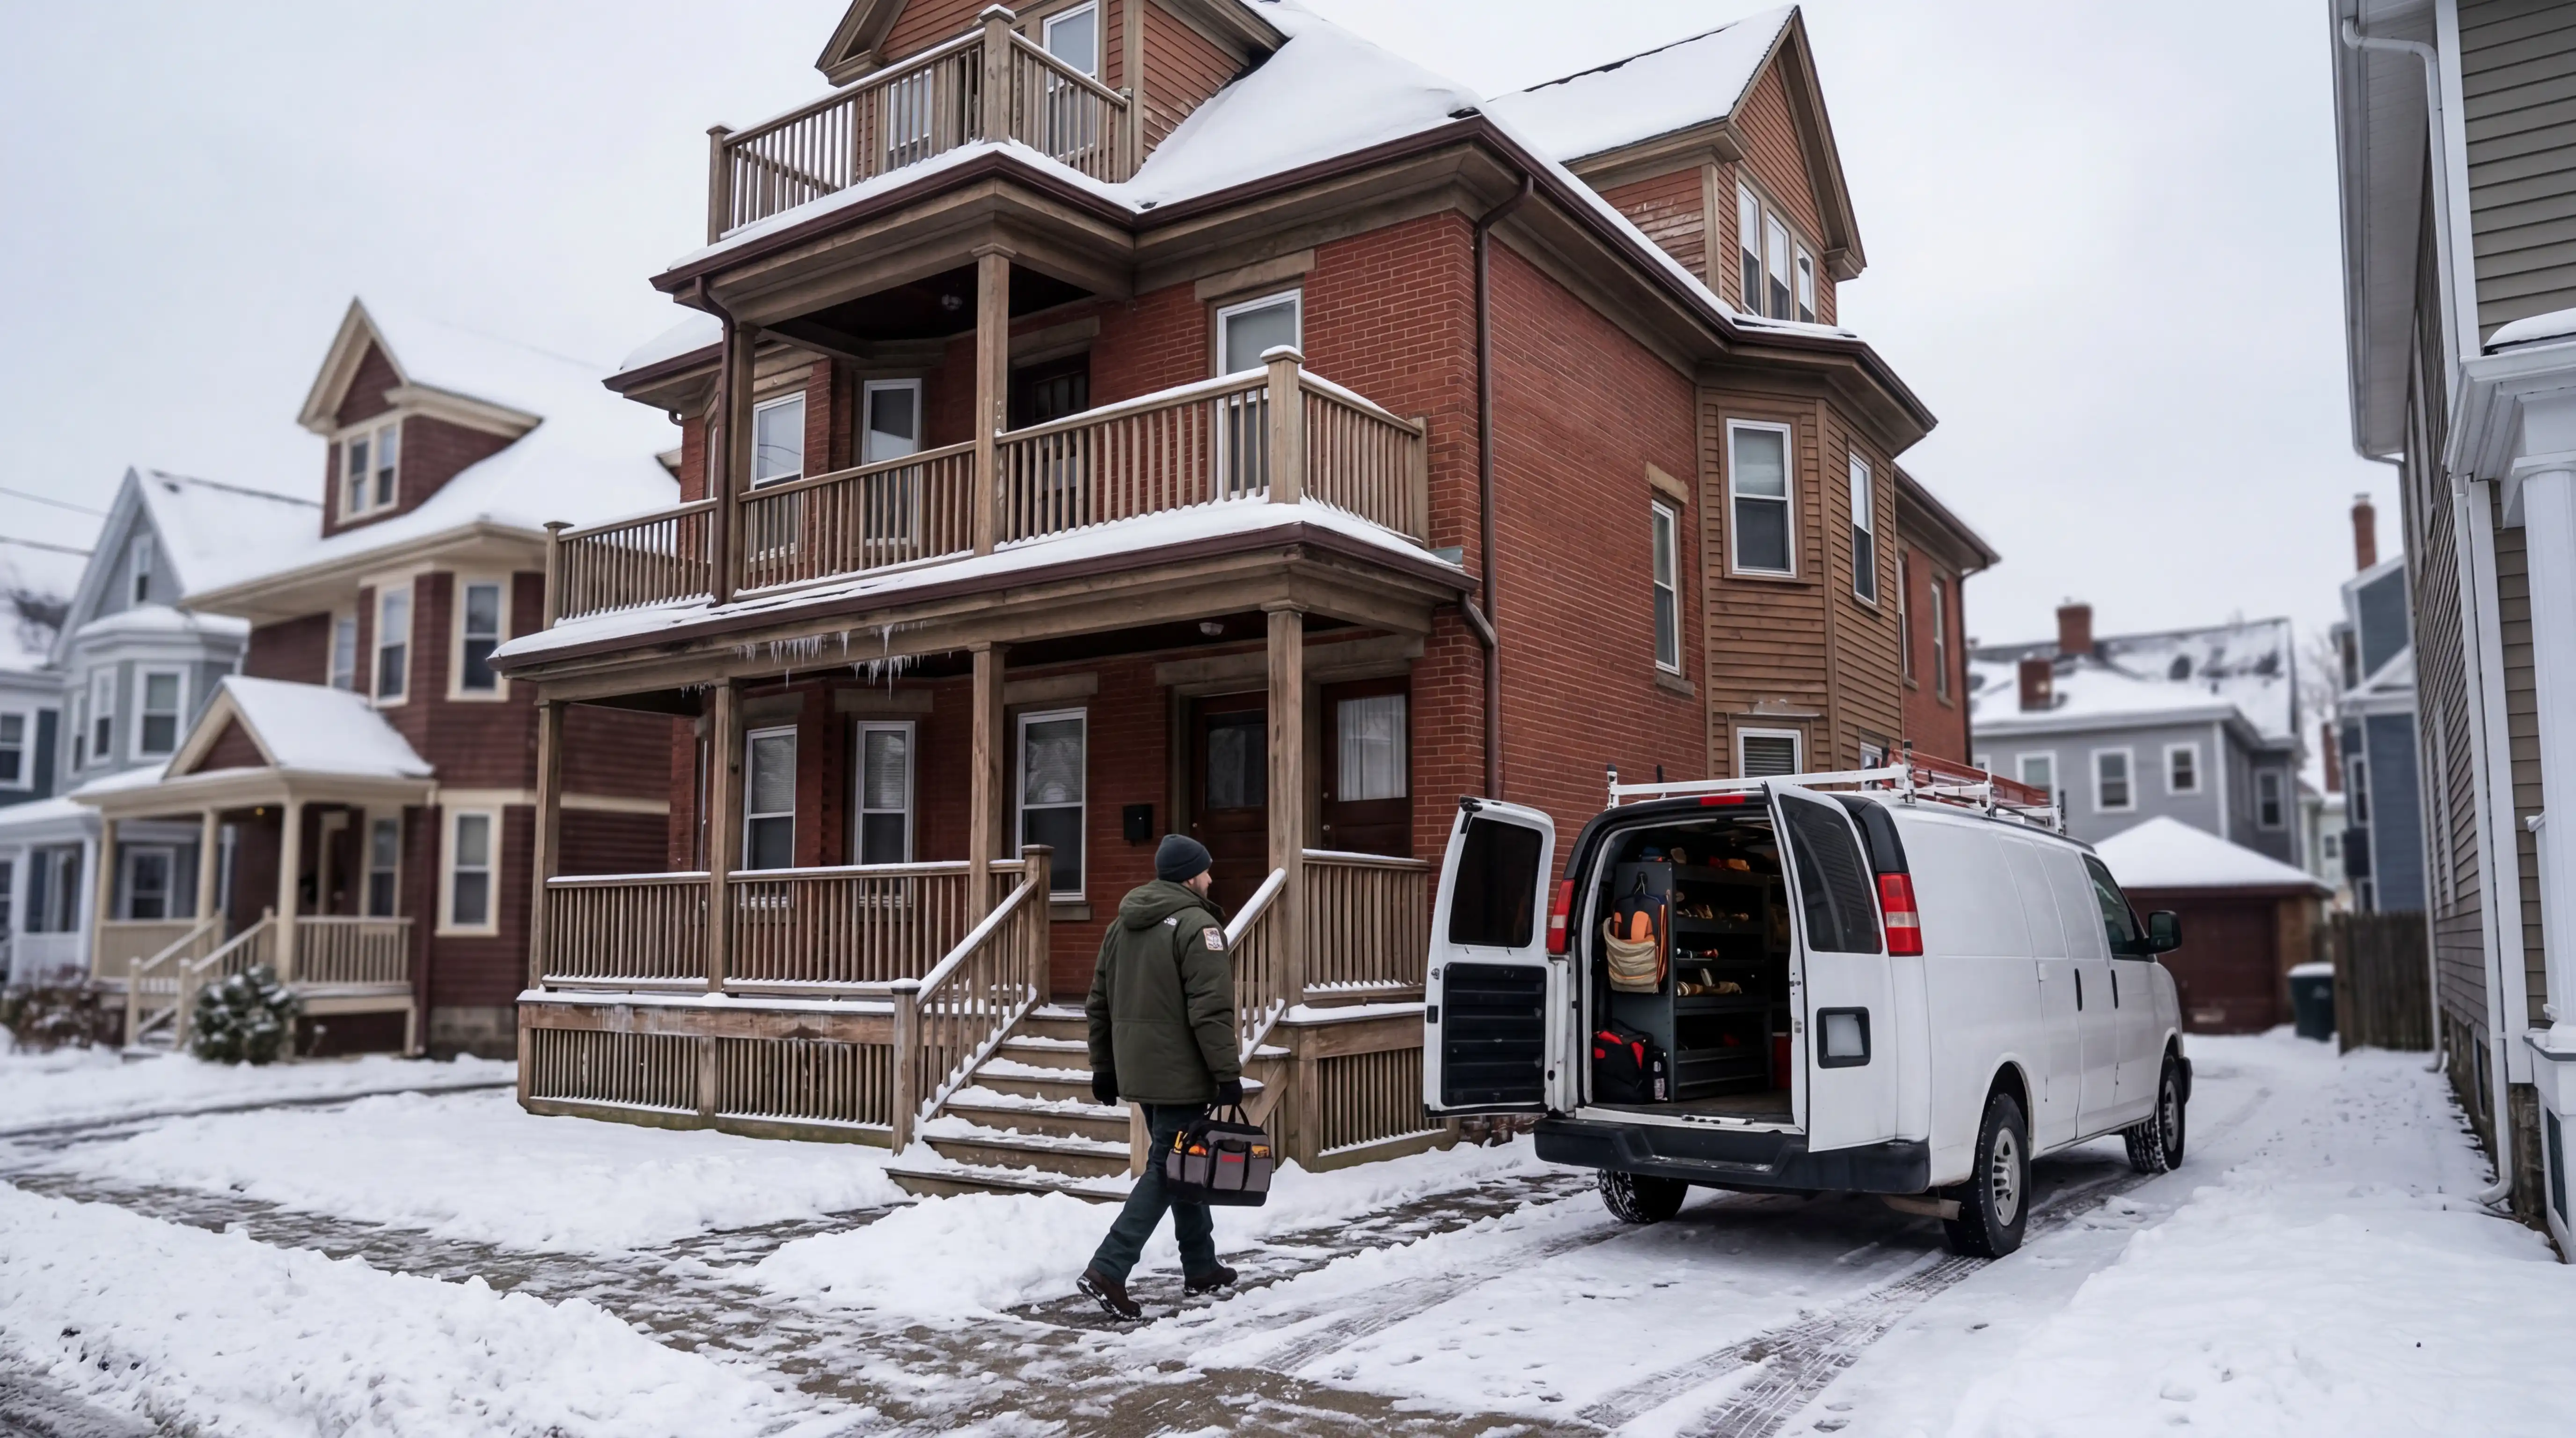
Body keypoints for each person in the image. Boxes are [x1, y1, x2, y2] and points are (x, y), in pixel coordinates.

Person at [1076, 833, 1244, 1320]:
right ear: (1191, 875)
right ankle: (1109, 1268)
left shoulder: (1119, 925)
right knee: (1167, 1171)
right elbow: (1210, 1011)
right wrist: (1226, 1073)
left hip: (1139, 1070)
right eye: (1207, 871)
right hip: (1179, 1073)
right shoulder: (1198, 925)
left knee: (1180, 1167)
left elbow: (1097, 1005)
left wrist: (1104, 1069)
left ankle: (1200, 1266)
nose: (1211, 878)